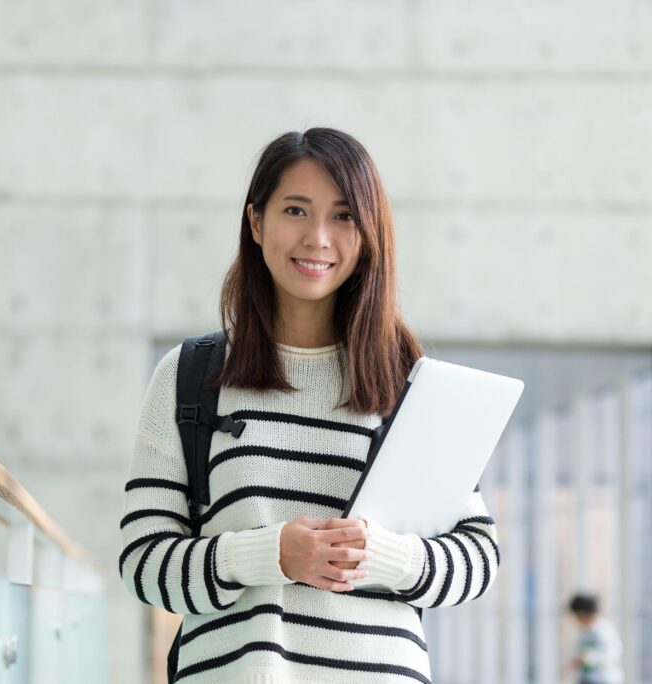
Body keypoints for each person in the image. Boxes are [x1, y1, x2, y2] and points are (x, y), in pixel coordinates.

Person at [118, 127, 500, 683]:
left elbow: (477, 558)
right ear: (256, 222)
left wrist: (381, 556)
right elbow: (144, 562)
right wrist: (271, 554)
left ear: (369, 234)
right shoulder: (191, 375)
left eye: (343, 216)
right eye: (295, 210)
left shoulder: (405, 382)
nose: (318, 237)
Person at [568, 593, 623, 684]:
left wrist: (588, 657)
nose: (576, 619)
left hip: (604, 679)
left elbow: (611, 654)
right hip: (587, 679)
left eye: (577, 615)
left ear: (582, 613)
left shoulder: (604, 630)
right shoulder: (583, 631)